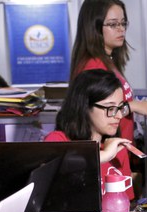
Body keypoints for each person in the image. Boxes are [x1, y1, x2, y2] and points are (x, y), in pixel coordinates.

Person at [70, 0, 147, 143]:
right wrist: (133, 106)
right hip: (107, 152)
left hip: (118, 147)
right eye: (113, 24)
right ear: (94, 27)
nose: (121, 29)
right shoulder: (93, 66)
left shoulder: (107, 60)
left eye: (123, 23)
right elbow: (97, 114)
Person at [44, 69, 134, 200]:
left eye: (121, 107)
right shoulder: (58, 140)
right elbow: (53, 173)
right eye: (110, 108)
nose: (119, 116)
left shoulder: (118, 149)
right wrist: (103, 156)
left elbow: (125, 204)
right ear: (85, 106)